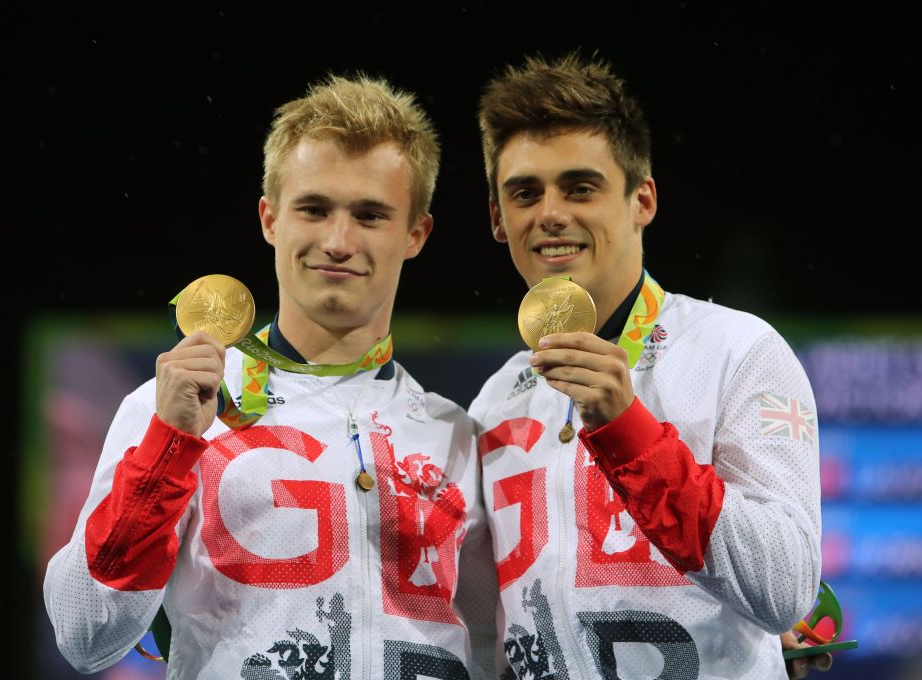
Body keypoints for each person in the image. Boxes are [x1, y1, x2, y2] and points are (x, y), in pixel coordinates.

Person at [44, 74, 495, 679]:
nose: (338, 241)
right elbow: (85, 632)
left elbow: (491, 649)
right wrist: (168, 445)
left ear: (416, 234)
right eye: (314, 208)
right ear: (270, 218)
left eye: (370, 215)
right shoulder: (178, 404)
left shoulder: (453, 433)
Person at [469, 52, 824, 679]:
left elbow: (785, 587)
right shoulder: (496, 402)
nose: (550, 212)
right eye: (525, 192)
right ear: (499, 219)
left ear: (643, 200)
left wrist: (628, 428)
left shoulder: (738, 352)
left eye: (580, 187)